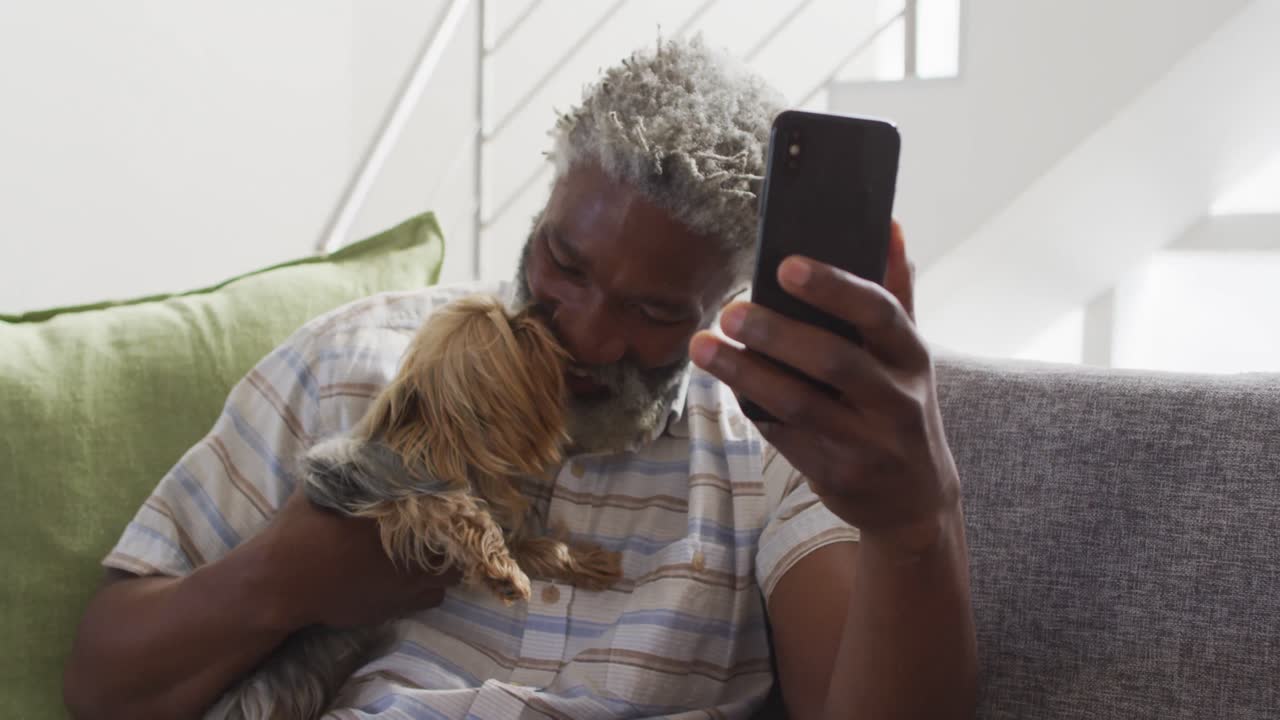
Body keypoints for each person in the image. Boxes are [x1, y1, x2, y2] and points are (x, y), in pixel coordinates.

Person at [64, 37, 976, 719]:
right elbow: (102, 684)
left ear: (723, 300)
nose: (585, 334)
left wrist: (913, 526)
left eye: (654, 312)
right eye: (563, 264)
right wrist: (283, 578)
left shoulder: (776, 448)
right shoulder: (357, 361)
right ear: (544, 206)